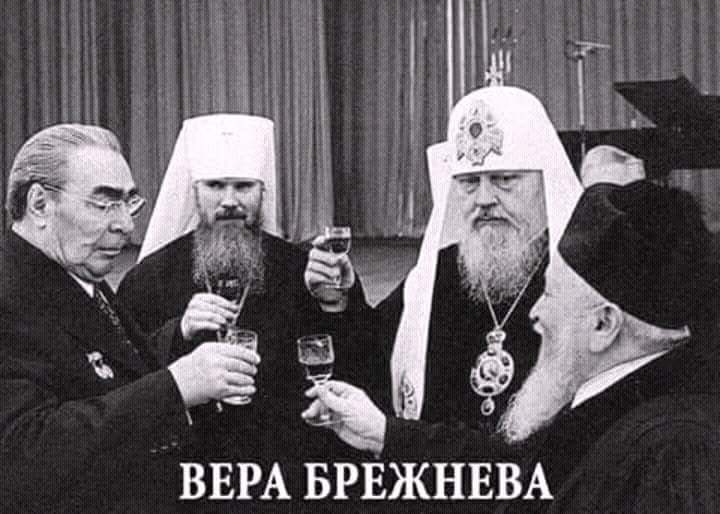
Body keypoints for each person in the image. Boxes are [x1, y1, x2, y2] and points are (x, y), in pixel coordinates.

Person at [309, 180, 720, 513]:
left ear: (603, 324)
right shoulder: (622, 393)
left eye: (550, 295)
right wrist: (384, 434)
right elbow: (519, 470)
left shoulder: (677, 452)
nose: (535, 313)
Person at [0, 124, 259, 513]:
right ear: (39, 204)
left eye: (128, 202)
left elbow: (104, 369)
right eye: (104, 203)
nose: (125, 224)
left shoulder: (75, 269)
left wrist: (180, 341)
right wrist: (175, 387)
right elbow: (23, 454)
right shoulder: (11, 294)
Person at [305, 86, 582, 442]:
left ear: (545, 183)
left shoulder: (578, 282)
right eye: (469, 182)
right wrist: (339, 302)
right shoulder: (440, 272)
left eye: (505, 180)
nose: (484, 199)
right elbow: (376, 356)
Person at [117, 114, 363, 506]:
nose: (230, 200)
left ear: (262, 191)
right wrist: (178, 332)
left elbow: (358, 362)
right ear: (196, 192)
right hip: (185, 473)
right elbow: (121, 379)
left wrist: (335, 303)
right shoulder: (150, 278)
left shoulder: (300, 269)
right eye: (216, 186)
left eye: (243, 186)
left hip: (282, 471)